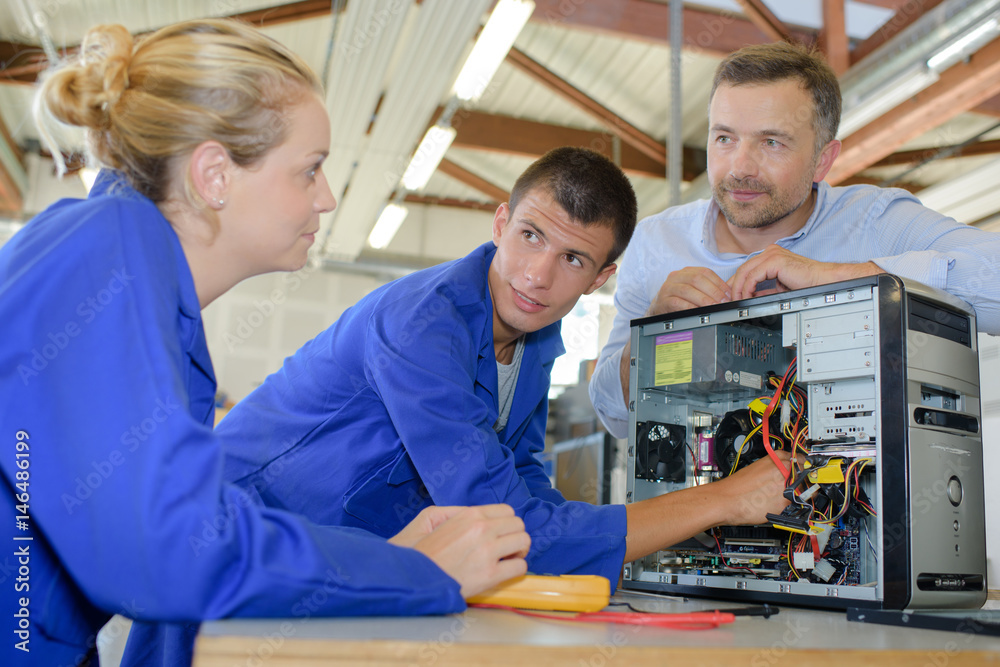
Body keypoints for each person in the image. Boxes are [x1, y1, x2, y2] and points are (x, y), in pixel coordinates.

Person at [0, 19, 531, 667]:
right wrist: (412, 570)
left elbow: (178, 519)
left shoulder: (123, 266)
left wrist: (385, 556)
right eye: (309, 171)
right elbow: (163, 550)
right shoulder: (103, 257)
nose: (328, 197)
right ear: (214, 174)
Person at [216, 147, 791, 602]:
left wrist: (574, 550)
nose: (538, 276)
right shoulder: (423, 324)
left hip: (347, 567)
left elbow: (517, 475)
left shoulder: (536, 340)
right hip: (239, 544)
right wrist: (723, 500)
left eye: (572, 259)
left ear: (600, 278)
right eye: (531, 236)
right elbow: (515, 525)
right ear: (500, 223)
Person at [589, 41, 1000, 439]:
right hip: (701, 503)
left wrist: (842, 277)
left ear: (823, 158)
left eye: (771, 142)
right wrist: (651, 338)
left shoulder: (873, 221)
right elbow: (615, 418)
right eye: (724, 138)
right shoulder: (658, 242)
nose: (740, 167)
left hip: (843, 502)